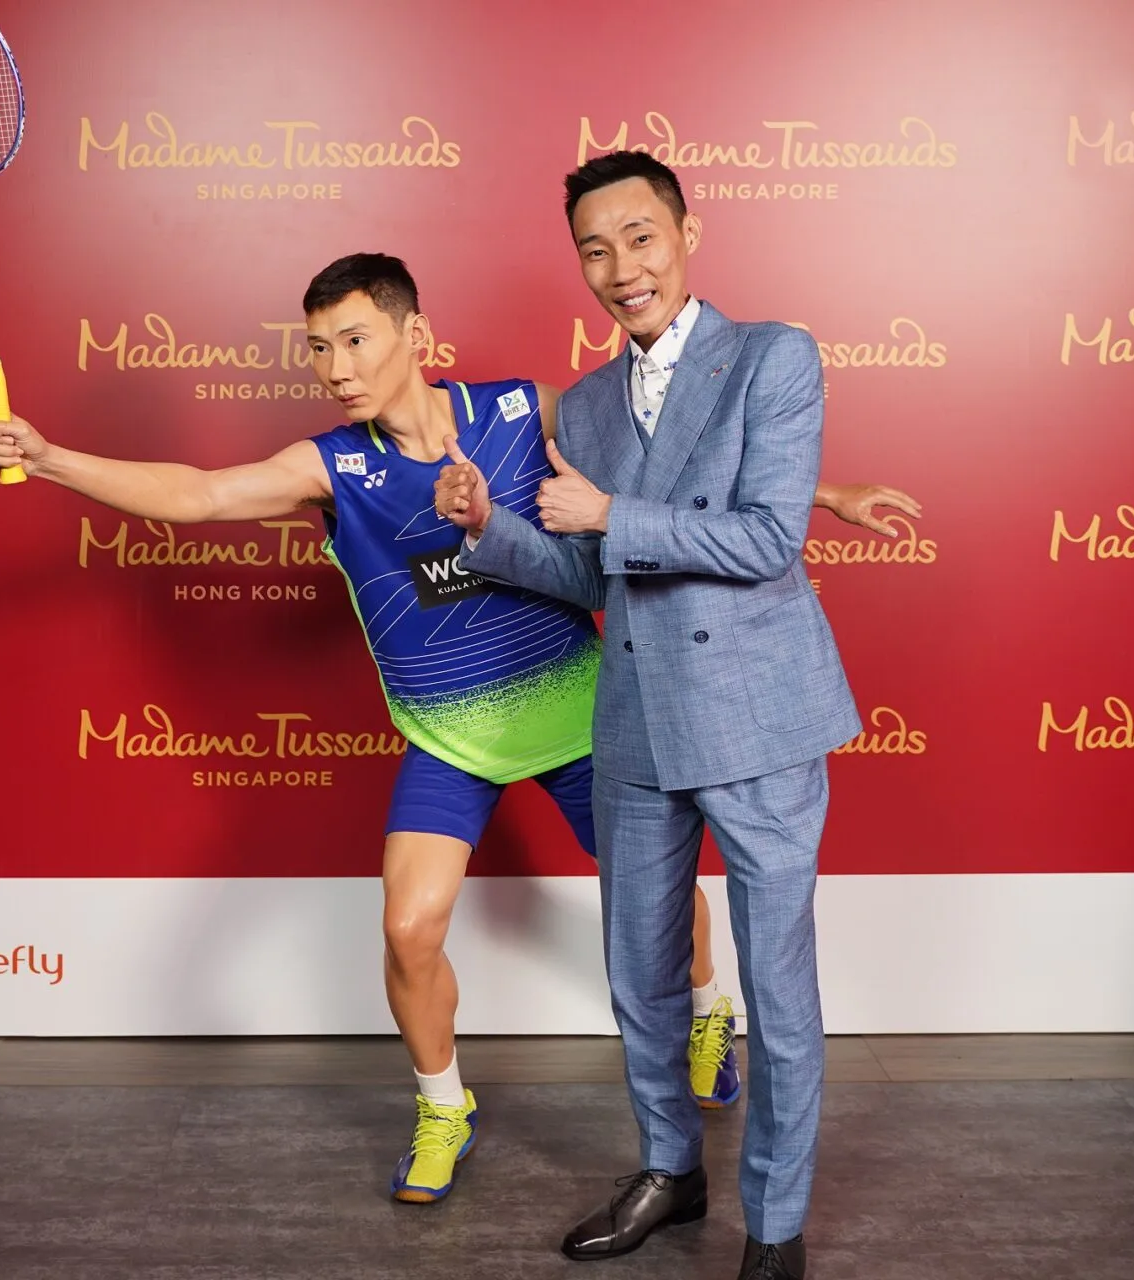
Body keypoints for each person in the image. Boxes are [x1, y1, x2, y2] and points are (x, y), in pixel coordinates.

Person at [0, 253, 909, 1213]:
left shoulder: (519, 412)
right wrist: (48, 459)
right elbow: (203, 494)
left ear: (414, 336)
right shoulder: (332, 466)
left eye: (355, 340)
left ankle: (709, 1007)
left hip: (587, 714)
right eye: (318, 349)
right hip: (452, 738)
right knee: (408, 926)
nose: (336, 368)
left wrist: (824, 493)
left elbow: (667, 458)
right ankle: (442, 1106)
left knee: (662, 902)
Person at [437, 154, 855, 1279]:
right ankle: (672, 1170)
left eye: (640, 237)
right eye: (595, 249)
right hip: (634, 723)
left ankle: (775, 1224)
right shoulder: (582, 404)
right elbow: (592, 573)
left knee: (777, 988)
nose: (622, 268)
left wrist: (611, 512)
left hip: (758, 719)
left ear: (686, 234)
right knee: (640, 974)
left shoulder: (772, 356)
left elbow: (769, 538)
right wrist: (490, 530)